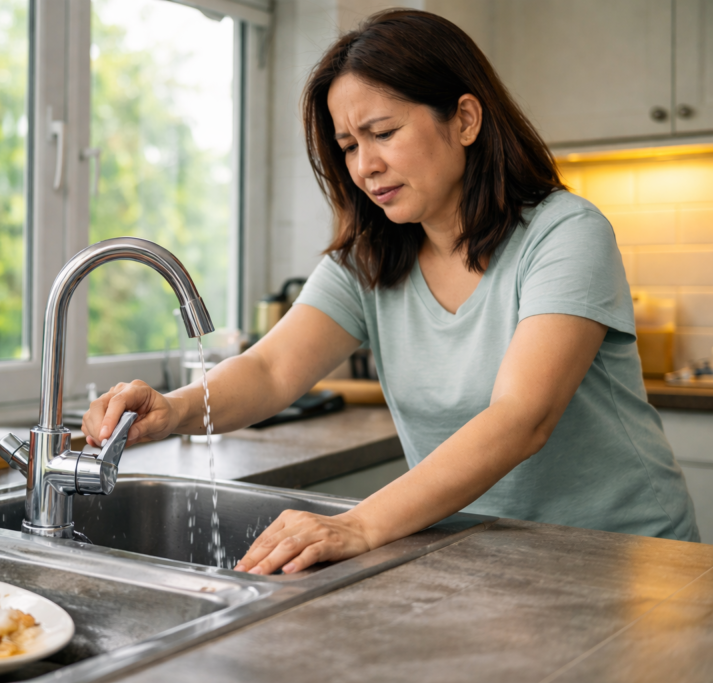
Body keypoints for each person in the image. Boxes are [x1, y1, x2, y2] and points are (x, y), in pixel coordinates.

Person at [81, 9, 699, 575]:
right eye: (349, 146)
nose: (364, 166)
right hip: (483, 559)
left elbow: (522, 417)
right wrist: (174, 409)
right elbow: (271, 370)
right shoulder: (370, 259)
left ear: (465, 119)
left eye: (382, 132)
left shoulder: (566, 233)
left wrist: (358, 524)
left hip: (624, 562)